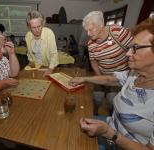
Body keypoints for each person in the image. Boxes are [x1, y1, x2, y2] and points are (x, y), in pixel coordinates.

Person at [68, 17, 154, 150]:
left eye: (135, 48)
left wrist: (109, 133)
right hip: (111, 126)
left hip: (117, 140)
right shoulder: (134, 74)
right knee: (71, 125)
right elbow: (109, 79)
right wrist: (83, 79)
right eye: (130, 47)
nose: (127, 53)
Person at [83, 11, 133, 115]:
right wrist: (101, 79)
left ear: (101, 25)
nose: (88, 34)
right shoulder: (91, 44)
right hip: (102, 75)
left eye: (91, 30)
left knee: (111, 100)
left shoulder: (118, 32)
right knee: (97, 96)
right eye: (86, 31)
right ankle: (95, 113)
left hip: (119, 77)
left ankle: (110, 116)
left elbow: (136, 49)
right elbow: (94, 64)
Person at [25, 11, 59, 76]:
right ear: (29, 26)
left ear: (42, 23)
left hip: (48, 67)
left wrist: (51, 68)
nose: (37, 30)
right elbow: (29, 52)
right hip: (36, 67)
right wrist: (31, 60)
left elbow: (54, 54)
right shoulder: (28, 36)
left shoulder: (49, 33)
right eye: (33, 27)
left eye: (39, 26)